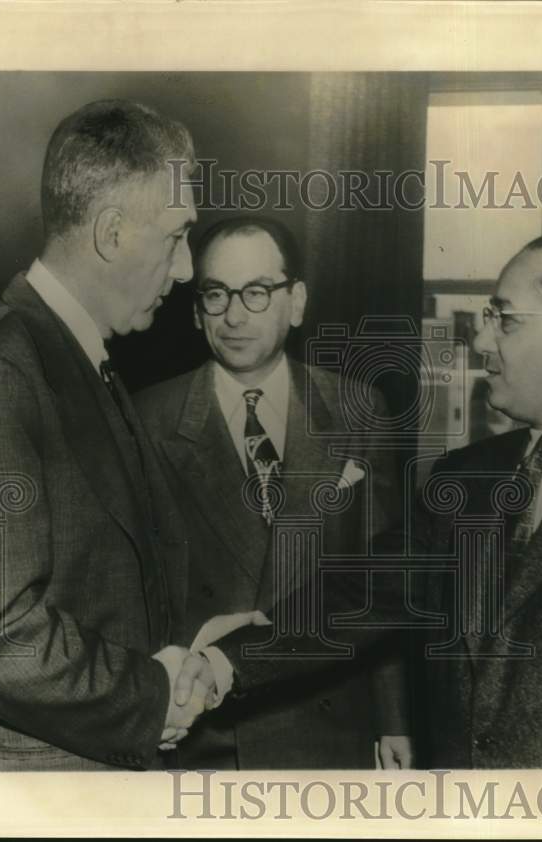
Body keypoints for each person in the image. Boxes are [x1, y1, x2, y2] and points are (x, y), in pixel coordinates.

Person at [204, 229, 542, 768]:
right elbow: (362, 595)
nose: (482, 340)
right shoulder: (463, 478)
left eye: (504, 319)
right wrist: (223, 665)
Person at [0, 99, 226, 771]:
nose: (186, 272)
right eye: (176, 236)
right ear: (113, 234)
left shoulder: (81, 358)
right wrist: (151, 696)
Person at [135, 217, 412, 770]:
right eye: (216, 294)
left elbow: (380, 581)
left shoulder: (359, 409)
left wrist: (393, 721)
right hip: (204, 730)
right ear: (195, 309)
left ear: (297, 301)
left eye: (257, 293)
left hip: (329, 722)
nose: (235, 315)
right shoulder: (147, 417)